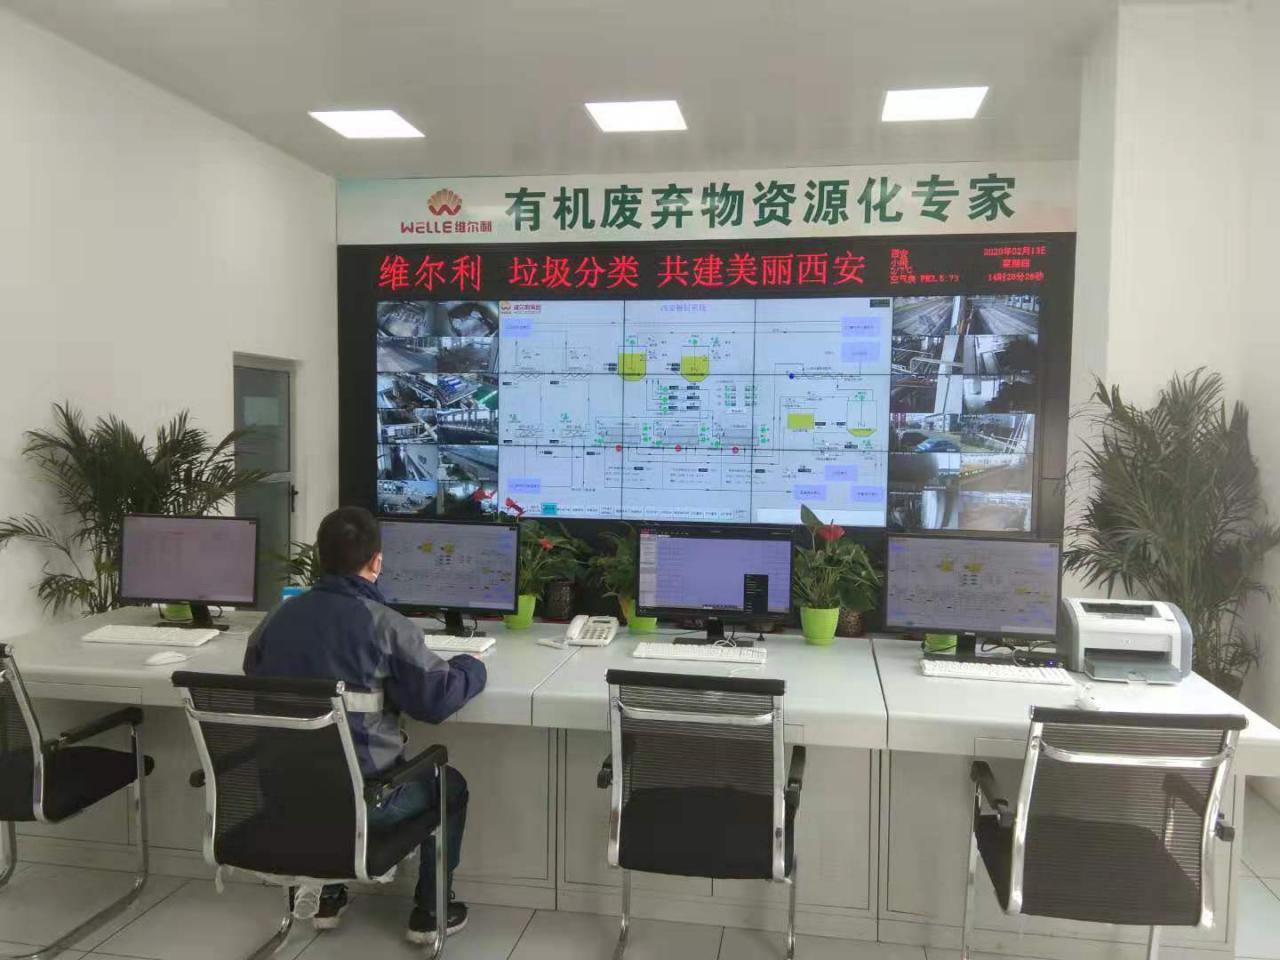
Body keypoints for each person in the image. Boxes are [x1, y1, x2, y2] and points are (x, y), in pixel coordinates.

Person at [243, 506, 486, 943]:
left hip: (284, 794)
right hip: (368, 800)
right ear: (376, 561)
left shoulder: (275, 619)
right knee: (450, 786)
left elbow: (254, 673)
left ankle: (327, 893)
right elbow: (436, 700)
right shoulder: (384, 625)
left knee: (323, 762)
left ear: (320, 559)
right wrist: (472, 667)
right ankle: (431, 911)